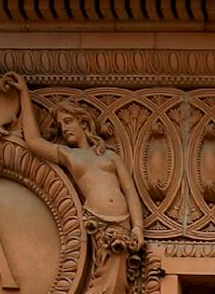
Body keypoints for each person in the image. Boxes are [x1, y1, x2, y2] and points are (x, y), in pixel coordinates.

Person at [10, 77, 146, 252]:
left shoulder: (110, 156)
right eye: (61, 125)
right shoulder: (70, 155)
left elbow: (129, 191)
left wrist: (138, 227)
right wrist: (24, 94)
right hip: (97, 222)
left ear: (82, 122)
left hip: (123, 223)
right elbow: (34, 141)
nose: (64, 129)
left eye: (68, 121)